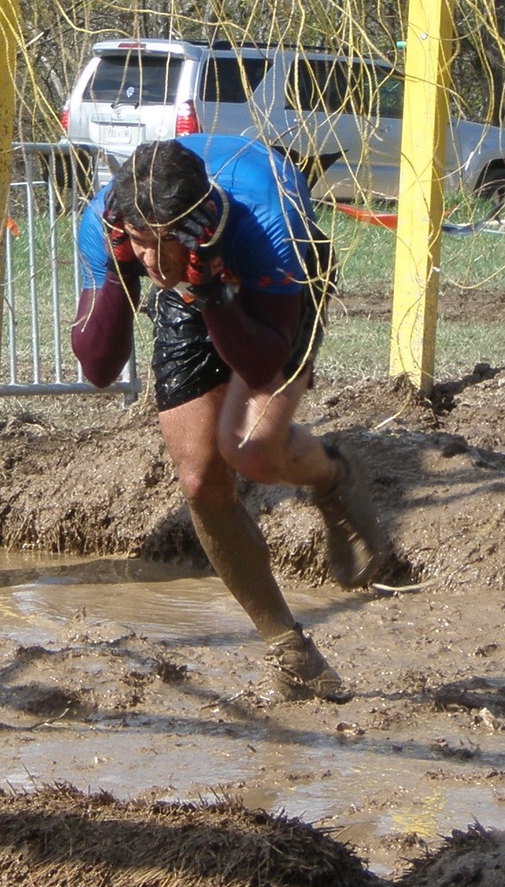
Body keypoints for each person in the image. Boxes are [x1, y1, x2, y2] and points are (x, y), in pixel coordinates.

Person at [71, 135, 392, 703]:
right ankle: (290, 650)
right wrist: (126, 269)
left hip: (272, 272)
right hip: (202, 278)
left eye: (161, 244)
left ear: (200, 225)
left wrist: (213, 289)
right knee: (199, 479)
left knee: (250, 450)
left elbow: (264, 358)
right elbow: (99, 365)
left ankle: (332, 476)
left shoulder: (271, 223)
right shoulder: (107, 221)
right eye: (141, 242)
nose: (151, 260)